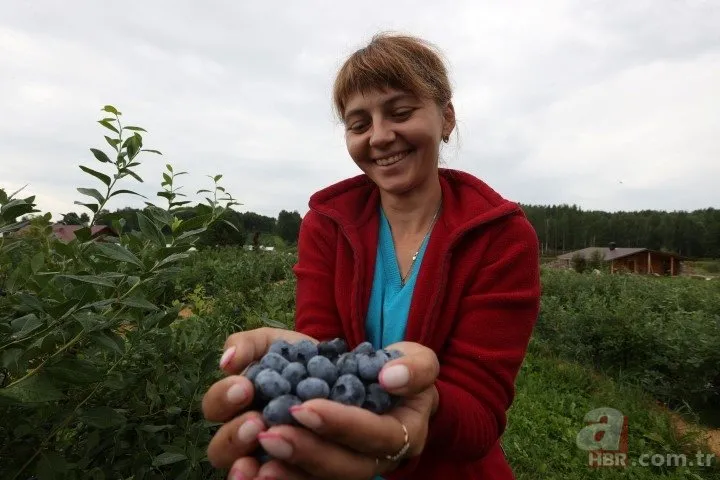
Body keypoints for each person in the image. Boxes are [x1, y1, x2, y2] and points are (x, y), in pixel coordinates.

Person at [201, 32, 541, 480]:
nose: (380, 137)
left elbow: (480, 412)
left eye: (400, 113)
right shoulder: (327, 224)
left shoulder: (501, 236)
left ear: (447, 118)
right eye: (359, 124)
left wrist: (428, 404)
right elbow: (322, 356)